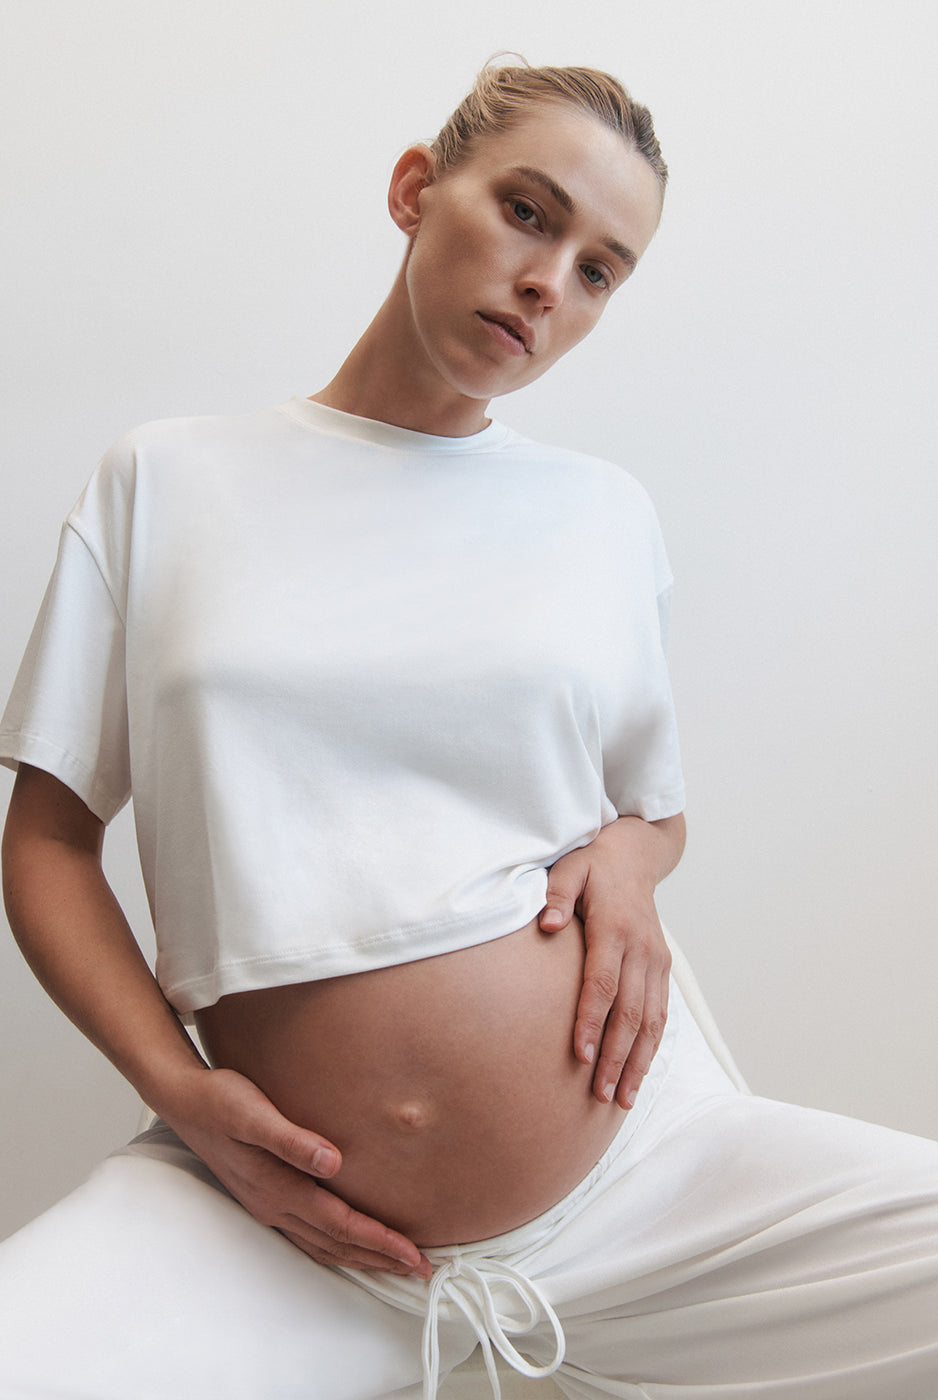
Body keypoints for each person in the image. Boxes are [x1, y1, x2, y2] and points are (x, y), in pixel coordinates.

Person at [0, 60, 936, 1400]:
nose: (551, 280)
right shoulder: (167, 478)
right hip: (273, 1217)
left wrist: (634, 856)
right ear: (414, 190)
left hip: (642, 1183)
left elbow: (645, 807)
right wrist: (183, 1093)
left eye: (602, 269)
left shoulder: (599, 516)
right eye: (527, 212)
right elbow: (45, 842)